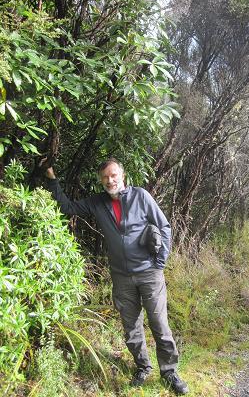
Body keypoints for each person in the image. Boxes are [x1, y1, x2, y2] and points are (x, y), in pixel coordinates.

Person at [44, 158, 188, 395]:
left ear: (123, 176)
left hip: (149, 273)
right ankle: (142, 367)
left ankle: (169, 372)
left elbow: (164, 226)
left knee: (159, 324)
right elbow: (67, 208)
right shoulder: (97, 203)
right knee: (131, 327)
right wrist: (51, 178)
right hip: (121, 277)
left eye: (114, 175)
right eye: (105, 177)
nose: (110, 180)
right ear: (101, 180)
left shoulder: (141, 196)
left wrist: (159, 263)